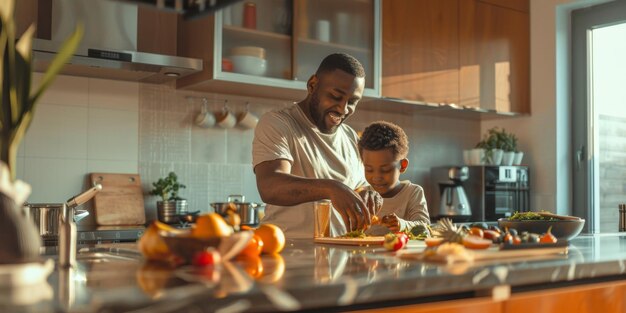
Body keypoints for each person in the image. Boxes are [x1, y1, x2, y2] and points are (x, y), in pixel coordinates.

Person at [252, 53, 381, 238]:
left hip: (340, 256)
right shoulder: (278, 123)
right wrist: (331, 188)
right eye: (336, 96)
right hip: (287, 255)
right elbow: (269, 186)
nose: (344, 109)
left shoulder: (351, 136)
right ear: (312, 85)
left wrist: (369, 194)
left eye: (352, 102)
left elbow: (359, 187)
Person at [357, 121, 430, 235]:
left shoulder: (412, 192)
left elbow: (425, 228)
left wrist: (402, 225)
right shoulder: (363, 194)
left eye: (385, 169)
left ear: (403, 165)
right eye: (369, 169)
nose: (376, 177)